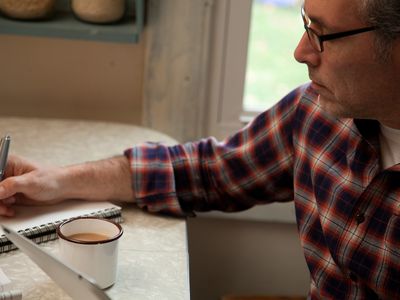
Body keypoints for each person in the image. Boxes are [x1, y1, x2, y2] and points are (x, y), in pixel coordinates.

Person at [1, 0, 399, 298]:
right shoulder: (317, 113)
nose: (301, 51)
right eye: (306, 23)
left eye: (323, 35)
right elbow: (207, 170)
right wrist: (53, 181)